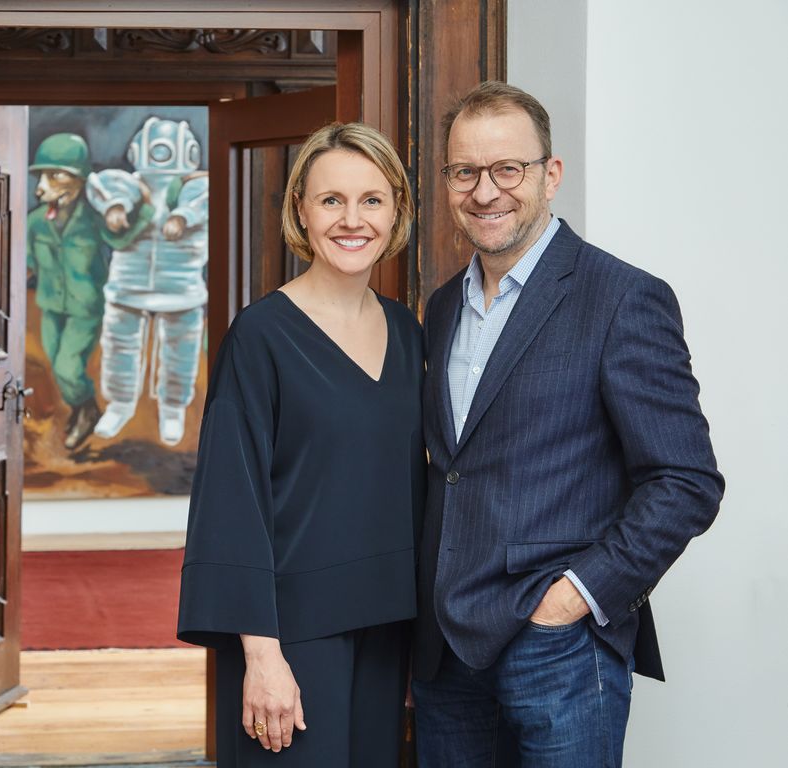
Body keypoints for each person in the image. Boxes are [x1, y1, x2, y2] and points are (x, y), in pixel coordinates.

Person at [411, 80, 725, 767]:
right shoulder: (441, 307)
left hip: (557, 650)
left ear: (550, 175)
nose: (484, 191)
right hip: (446, 654)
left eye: (507, 169)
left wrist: (572, 599)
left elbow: (685, 480)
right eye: (464, 171)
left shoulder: (622, 298)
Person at [177, 122, 423, 766]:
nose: (353, 220)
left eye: (372, 200)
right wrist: (262, 657)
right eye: (331, 200)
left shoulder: (408, 333)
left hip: (387, 630)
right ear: (300, 210)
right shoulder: (259, 337)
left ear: (396, 210)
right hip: (290, 638)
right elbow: (230, 504)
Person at [85, 117, 210, 446]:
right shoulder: (131, 185)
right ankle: (120, 403)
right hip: (129, 284)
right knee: (119, 347)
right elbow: (103, 185)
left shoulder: (196, 188)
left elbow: (202, 201)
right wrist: (114, 207)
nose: (162, 157)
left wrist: (183, 216)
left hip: (181, 287)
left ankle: (173, 407)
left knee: (181, 351)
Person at [26, 133, 108, 450]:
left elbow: (126, 237)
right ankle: (83, 408)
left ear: (80, 180)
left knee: (67, 366)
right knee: (56, 363)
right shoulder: (35, 222)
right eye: (41, 176)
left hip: (84, 308)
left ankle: (88, 412)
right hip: (50, 304)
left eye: (55, 175)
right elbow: (24, 264)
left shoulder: (95, 220)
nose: (41, 187)